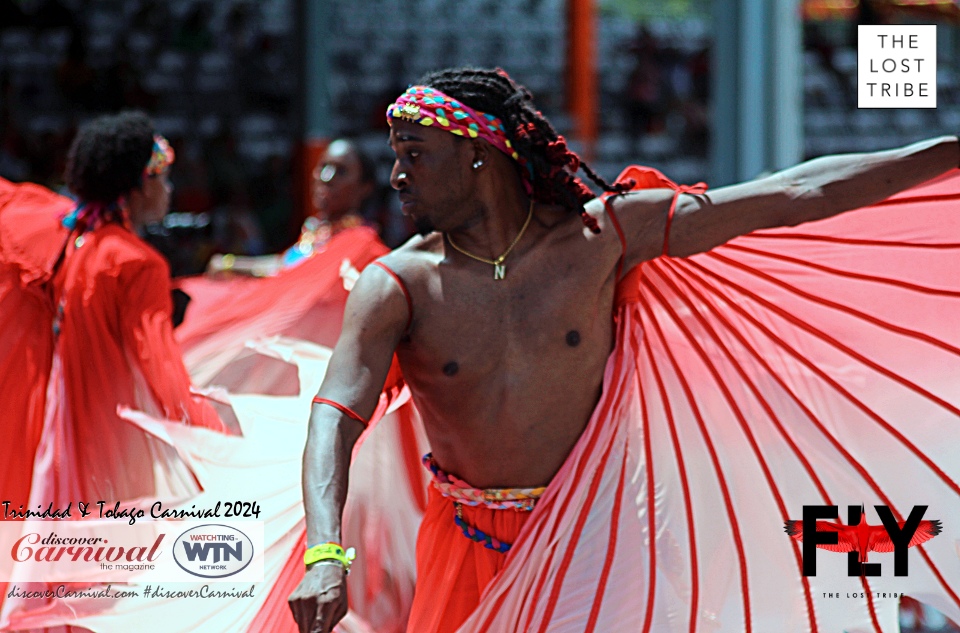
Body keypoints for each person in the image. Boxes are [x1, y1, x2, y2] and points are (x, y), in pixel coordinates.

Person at [289, 67, 960, 633]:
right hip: (466, 544)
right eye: (397, 156)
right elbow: (333, 415)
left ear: (477, 153)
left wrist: (948, 151)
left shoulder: (602, 236)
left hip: (602, 537)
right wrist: (325, 553)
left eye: (414, 153)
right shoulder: (395, 286)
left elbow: (793, 193)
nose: (398, 176)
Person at [0, 111, 224, 514]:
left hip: (43, 416)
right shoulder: (137, 263)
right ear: (136, 186)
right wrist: (217, 442)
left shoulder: (68, 234)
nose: (169, 190)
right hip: (98, 436)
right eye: (161, 178)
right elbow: (163, 372)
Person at [205, 139, 379, 278]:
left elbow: (292, 273)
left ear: (365, 187)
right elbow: (284, 263)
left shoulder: (359, 242)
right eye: (323, 167)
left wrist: (230, 265)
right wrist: (229, 264)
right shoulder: (317, 229)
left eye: (341, 171)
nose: (327, 178)